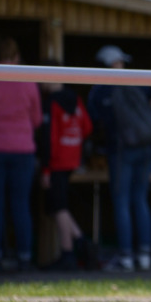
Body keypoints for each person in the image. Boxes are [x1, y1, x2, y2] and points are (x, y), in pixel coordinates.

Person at [87, 45, 151, 272]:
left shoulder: (100, 89)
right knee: (140, 199)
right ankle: (144, 255)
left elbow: (93, 123)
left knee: (122, 201)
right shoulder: (137, 79)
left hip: (121, 150)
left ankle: (126, 256)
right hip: (148, 146)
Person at [38, 64, 98, 271]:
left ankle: (69, 252)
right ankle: (81, 244)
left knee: (59, 207)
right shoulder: (76, 99)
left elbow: (49, 139)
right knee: (57, 205)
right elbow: (87, 127)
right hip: (72, 159)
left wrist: (46, 169)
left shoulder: (51, 103)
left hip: (56, 162)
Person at [0, 36, 42, 272]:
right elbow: (37, 119)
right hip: (23, 150)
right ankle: (24, 257)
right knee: (20, 204)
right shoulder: (27, 80)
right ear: (17, 56)